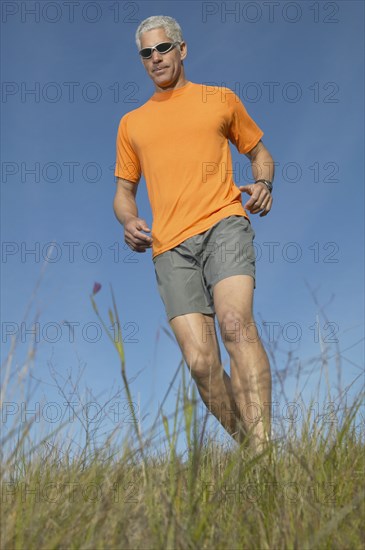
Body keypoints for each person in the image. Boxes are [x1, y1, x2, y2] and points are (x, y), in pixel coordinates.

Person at [114, 15, 275, 453]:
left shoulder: (219, 99)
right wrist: (128, 220)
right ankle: (249, 449)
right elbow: (123, 193)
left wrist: (262, 183)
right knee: (202, 364)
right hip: (169, 247)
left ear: (182, 50)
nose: (155, 58)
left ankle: (264, 450)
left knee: (236, 324)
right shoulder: (132, 124)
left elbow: (260, 154)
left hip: (224, 223)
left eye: (162, 48)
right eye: (146, 53)